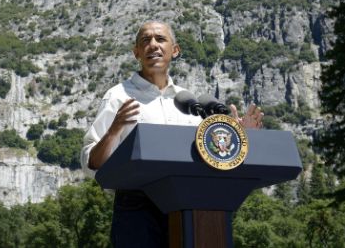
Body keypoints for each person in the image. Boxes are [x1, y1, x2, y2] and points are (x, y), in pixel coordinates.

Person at [80, 20, 263, 248]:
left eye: (160, 39)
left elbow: (213, 156)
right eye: (145, 40)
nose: (153, 45)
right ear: (136, 52)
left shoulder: (189, 102)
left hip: (191, 209)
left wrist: (239, 135)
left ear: (175, 51)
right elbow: (91, 162)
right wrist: (113, 130)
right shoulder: (118, 97)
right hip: (137, 210)